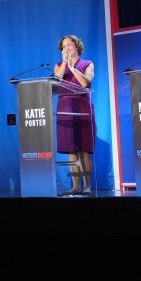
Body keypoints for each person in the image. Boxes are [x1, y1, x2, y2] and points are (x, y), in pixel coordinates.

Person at [54, 35, 95, 195]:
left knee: (83, 149)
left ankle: (87, 186)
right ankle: (75, 186)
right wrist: (65, 63)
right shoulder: (59, 65)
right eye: (64, 46)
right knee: (71, 149)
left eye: (69, 45)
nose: (67, 48)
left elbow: (85, 83)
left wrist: (73, 68)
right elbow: (56, 81)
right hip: (64, 108)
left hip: (82, 107)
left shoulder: (88, 64)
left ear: (77, 46)